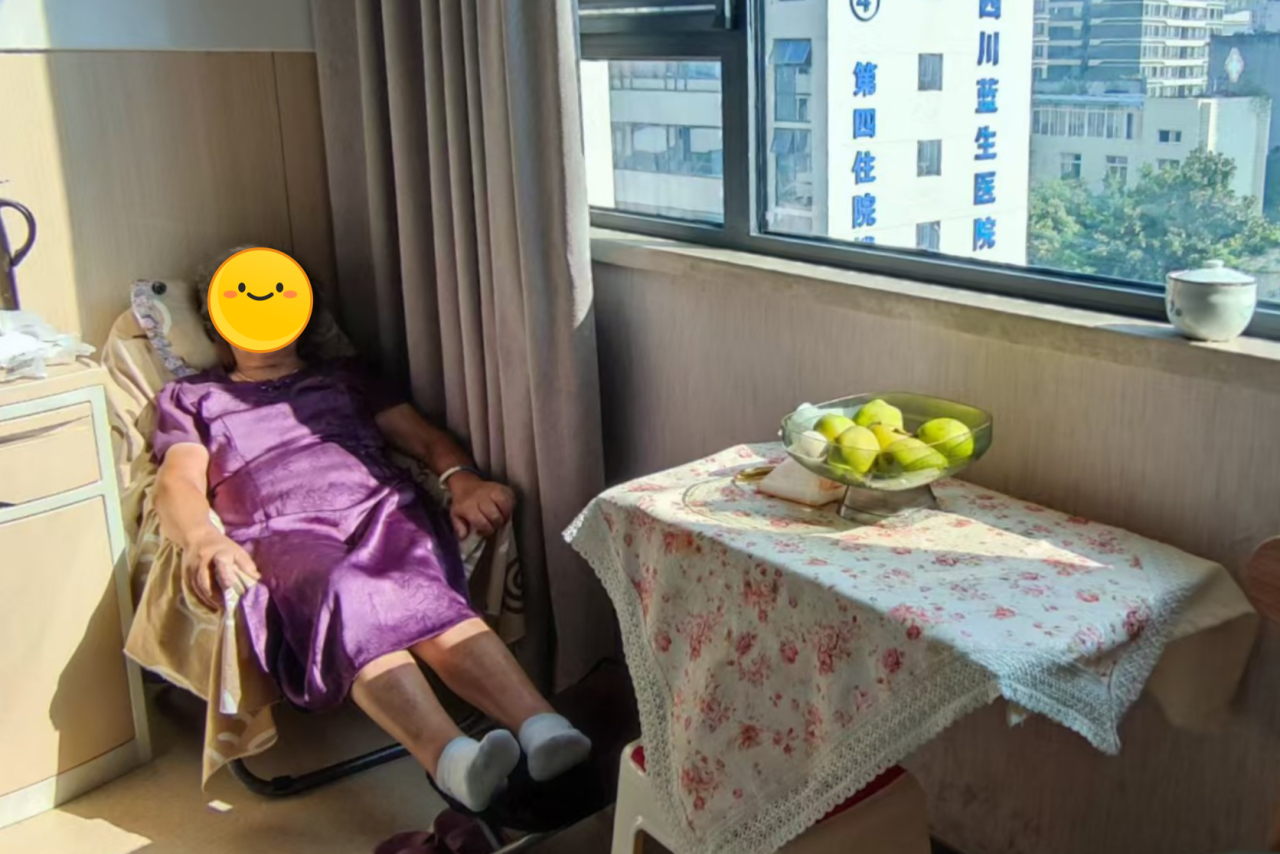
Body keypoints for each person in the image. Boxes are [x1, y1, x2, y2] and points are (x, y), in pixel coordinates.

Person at [151, 254, 590, 812]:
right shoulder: (192, 399)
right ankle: (450, 759)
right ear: (217, 324)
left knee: (418, 587)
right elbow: (178, 482)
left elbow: (425, 440)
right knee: (345, 586)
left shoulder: (344, 377)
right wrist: (203, 538)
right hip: (281, 530)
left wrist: (462, 480)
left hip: (379, 507)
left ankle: (543, 728)